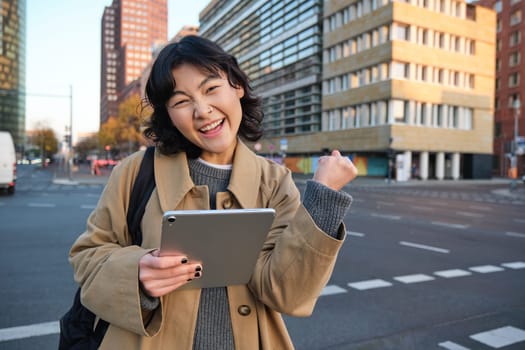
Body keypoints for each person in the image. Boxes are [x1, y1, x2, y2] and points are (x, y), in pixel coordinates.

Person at [69, 35, 358, 349]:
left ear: (237, 86)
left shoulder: (274, 181)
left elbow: (287, 292)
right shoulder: (134, 171)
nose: (202, 110)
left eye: (211, 89)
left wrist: (324, 196)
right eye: (181, 101)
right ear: (168, 114)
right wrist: (135, 274)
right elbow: (87, 258)